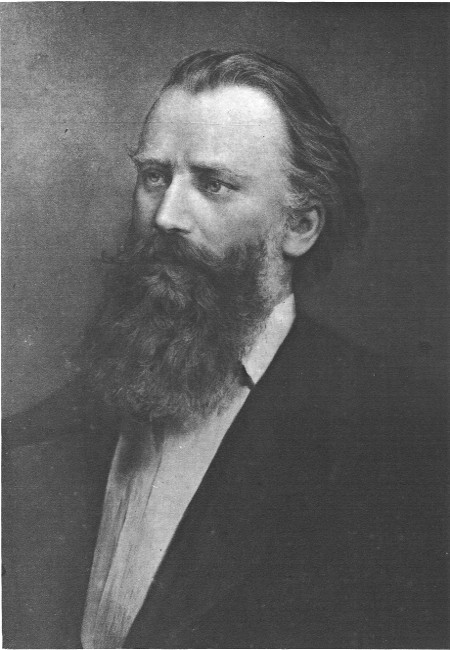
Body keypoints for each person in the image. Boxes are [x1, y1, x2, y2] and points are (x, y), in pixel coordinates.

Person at [3, 50, 447, 649]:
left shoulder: (396, 442)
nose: (167, 216)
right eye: (154, 176)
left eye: (214, 184)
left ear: (300, 226)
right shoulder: (38, 437)